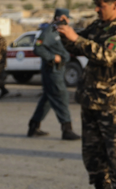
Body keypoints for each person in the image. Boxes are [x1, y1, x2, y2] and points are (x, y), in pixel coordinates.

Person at [57, 0, 116, 189]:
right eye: (96, 5)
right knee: (94, 160)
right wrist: (64, 31)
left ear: (115, 5)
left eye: (101, 5)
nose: (97, 9)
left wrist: (76, 39)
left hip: (111, 105)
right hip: (91, 102)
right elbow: (77, 45)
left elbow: (106, 55)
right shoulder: (97, 26)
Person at [27, 8, 81, 140]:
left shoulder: (59, 31)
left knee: (47, 99)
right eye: (66, 18)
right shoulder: (50, 31)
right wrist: (52, 57)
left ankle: (34, 126)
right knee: (61, 96)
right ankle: (67, 129)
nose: (67, 21)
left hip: (58, 69)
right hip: (52, 70)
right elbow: (38, 48)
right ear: (60, 17)